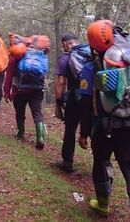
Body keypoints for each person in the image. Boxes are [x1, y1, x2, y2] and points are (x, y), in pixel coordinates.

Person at [78, 20, 130, 221]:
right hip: (129, 125)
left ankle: (102, 205)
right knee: (129, 169)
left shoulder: (91, 68)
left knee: (100, 162)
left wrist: (84, 133)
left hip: (103, 127)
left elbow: (85, 105)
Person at [4, 43, 48, 150]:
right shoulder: (40, 56)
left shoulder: (16, 57)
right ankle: (40, 138)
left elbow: (9, 76)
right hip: (37, 90)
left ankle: (21, 132)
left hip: (20, 90)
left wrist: (7, 92)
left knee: (20, 112)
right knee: (37, 113)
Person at [54, 33, 81, 173]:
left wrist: (58, 102)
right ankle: (104, 163)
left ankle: (67, 162)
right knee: (93, 131)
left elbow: (61, 82)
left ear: (64, 44)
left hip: (74, 99)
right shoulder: (89, 55)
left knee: (70, 129)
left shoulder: (64, 58)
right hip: (91, 98)